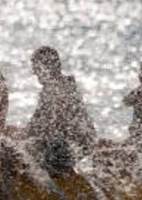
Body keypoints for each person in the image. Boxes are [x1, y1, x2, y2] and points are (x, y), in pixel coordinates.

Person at [25, 46, 96, 177]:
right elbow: (35, 124)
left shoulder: (62, 88)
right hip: (65, 143)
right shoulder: (51, 88)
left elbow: (55, 124)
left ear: (49, 66)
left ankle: (63, 180)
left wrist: (28, 139)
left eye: (36, 67)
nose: (34, 72)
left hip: (73, 145)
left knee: (27, 149)